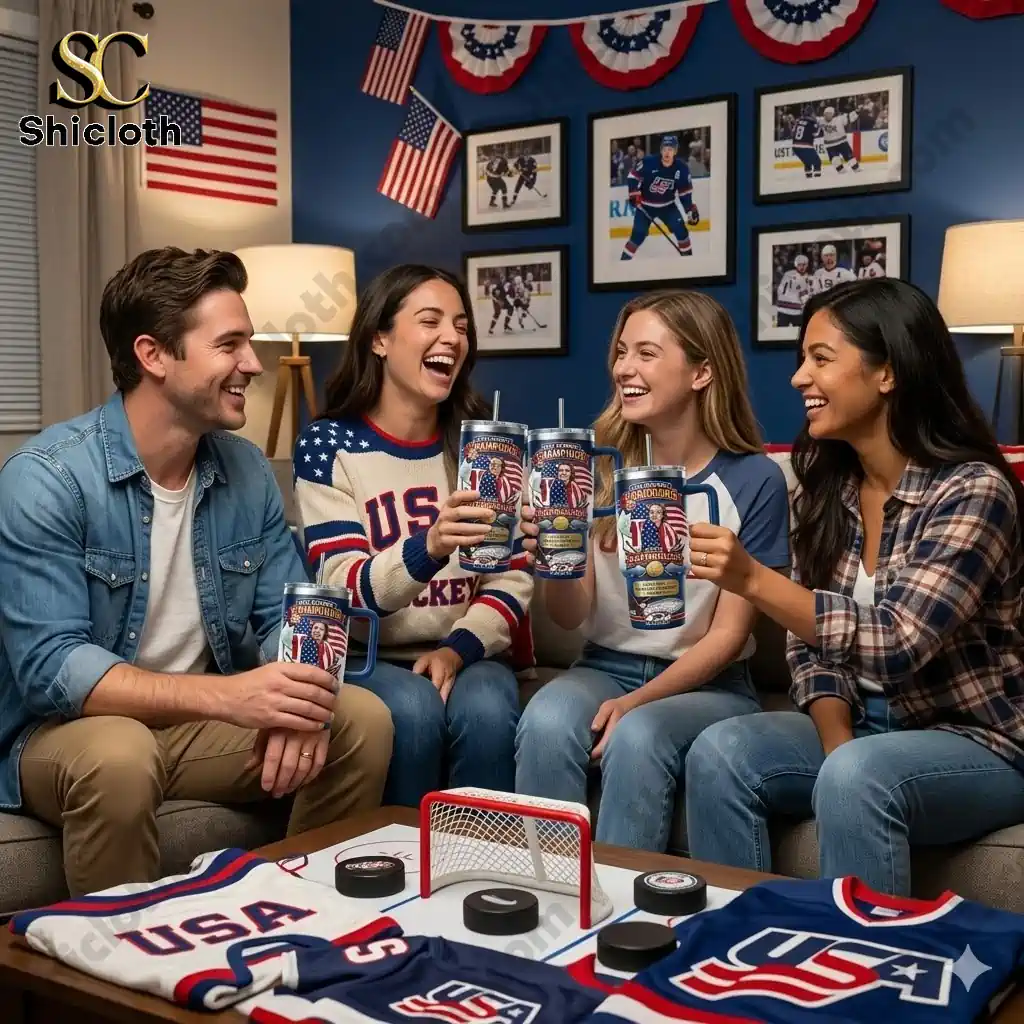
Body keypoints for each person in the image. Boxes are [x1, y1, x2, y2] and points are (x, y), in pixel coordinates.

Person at [0, 247, 394, 897]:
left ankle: (297, 919)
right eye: (230, 344)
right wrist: (233, 696)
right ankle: (119, 975)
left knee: (360, 719)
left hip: (193, 729)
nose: (252, 363)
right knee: (121, 755)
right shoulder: (48, 479)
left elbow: (284, 618)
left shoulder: (246, 472)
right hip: (62, 735)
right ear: (154, 355)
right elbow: (52, 669)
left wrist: (299, 698)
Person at [685, 277, 1024, 896]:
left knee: (859, 775)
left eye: (821, 359)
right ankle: (739, 956)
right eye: (801, 360)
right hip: (864, 728)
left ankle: (860, 981)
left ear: (887, 373)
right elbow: (810, 650)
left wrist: (754, 580)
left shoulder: (972, 492)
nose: (798, 379)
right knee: (721, 751)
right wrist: (836, 738)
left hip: (977, 740)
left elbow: (898, 642)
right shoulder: (830, 491)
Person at [514, 290, 790, 851]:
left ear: (701, 372)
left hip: (710, 683)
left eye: (646, 353)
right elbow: (568, 618)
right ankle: (545, 902)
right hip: (601, 665)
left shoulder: (755, 480)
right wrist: (552, 554)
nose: (624, 369)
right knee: (544, 719)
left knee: (636, 736)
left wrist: (637, 702)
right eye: (620, 352)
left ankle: (625, 915)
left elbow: (731, 636)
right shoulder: (595, 468)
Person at [291, 264, 532, 809]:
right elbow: (344, 589)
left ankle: (483, 873)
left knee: (489, 712)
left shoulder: (484, 444)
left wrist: (456, 649)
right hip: (371, 659)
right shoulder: (329, 446)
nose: (452, 338)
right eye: (430, 322)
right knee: (416, 713)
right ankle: (398, 870)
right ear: (379, 337)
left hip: (466, 650)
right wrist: (431, 546)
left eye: (462, 326)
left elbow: (512, 576)